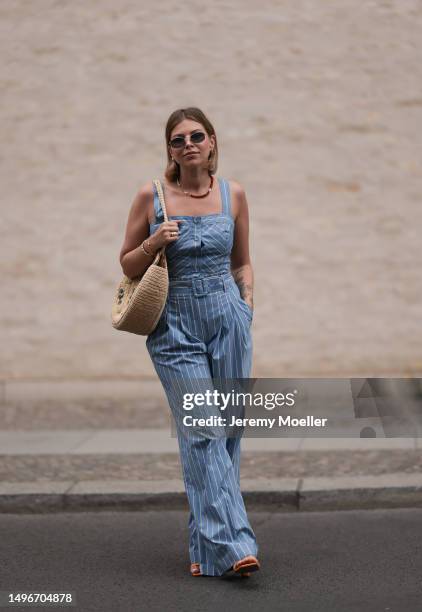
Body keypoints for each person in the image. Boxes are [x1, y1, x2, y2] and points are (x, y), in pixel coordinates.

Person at [119, 107, 260, 578]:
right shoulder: (151, 195)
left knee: (228, 433)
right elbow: (127, 264)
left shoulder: (233, 193)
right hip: (174, 325)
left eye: (196, 136)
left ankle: (205, 549)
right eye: (177, 140)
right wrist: (155, 240)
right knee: (203, 431)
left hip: (228, 319)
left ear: (213, 141)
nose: (188, 145)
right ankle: (236, 544)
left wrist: (247, 306)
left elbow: (242, 262)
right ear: (170, 150)